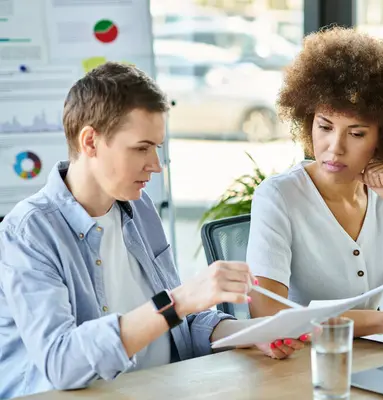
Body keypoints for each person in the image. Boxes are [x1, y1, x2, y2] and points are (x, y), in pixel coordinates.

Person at [0, 62, 304, 399]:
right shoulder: (30, 233)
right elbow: (62, 363)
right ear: (90, 142)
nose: (155, 166)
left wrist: (250, 332)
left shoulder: (139, 207)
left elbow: (179, 322)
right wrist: (180, 300)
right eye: (141, 148)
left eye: (157, 148)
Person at [246, 27, 383, 338]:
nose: (334, 147)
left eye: (356, 134)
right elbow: (267, 315)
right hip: (300, 367)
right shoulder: (279, 196)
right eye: (325, 126)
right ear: (308, 121)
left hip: (374, 360)